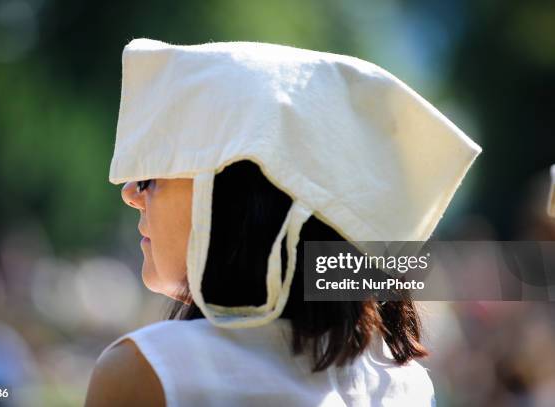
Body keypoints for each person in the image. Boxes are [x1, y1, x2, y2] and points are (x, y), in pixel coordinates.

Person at [85, 38, 482, 406]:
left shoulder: (150, 371)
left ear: (229, 197)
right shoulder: (407, 386)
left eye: (151, 176)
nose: (132, 194)